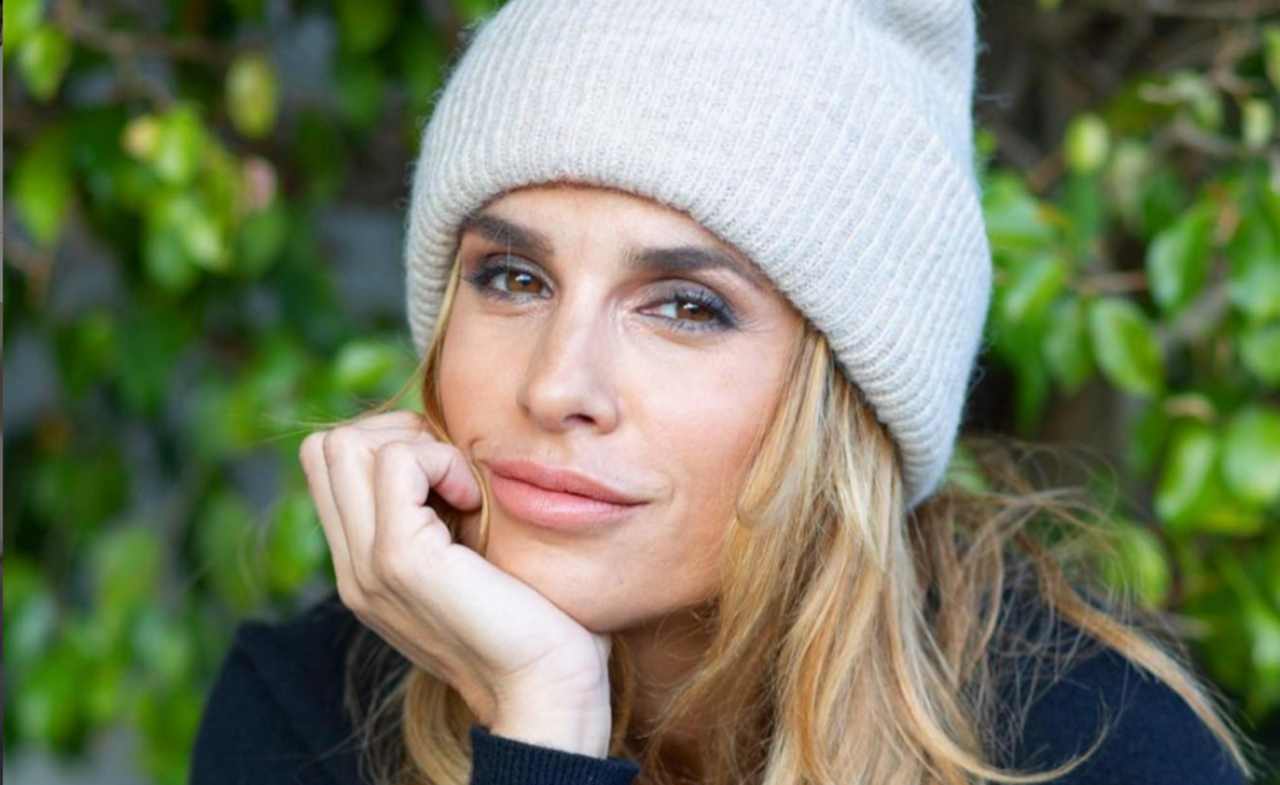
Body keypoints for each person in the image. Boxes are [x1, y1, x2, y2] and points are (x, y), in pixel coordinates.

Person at [189, 1, 1256, 784]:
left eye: (686, 307)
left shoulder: (1093, 748)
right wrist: (542, 717)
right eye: (512, 278)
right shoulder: (309, 716)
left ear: (848, 398)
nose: (557, 384)